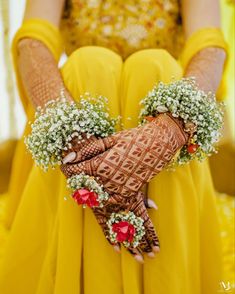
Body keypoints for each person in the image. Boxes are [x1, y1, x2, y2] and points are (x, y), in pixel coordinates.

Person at [0, 0, 227, 293]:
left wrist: (169, 130)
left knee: (155, 65)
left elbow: (208, 47)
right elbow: (33, 42)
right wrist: (72, 133)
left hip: (161, 120)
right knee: (89, 64)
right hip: (79, 106)